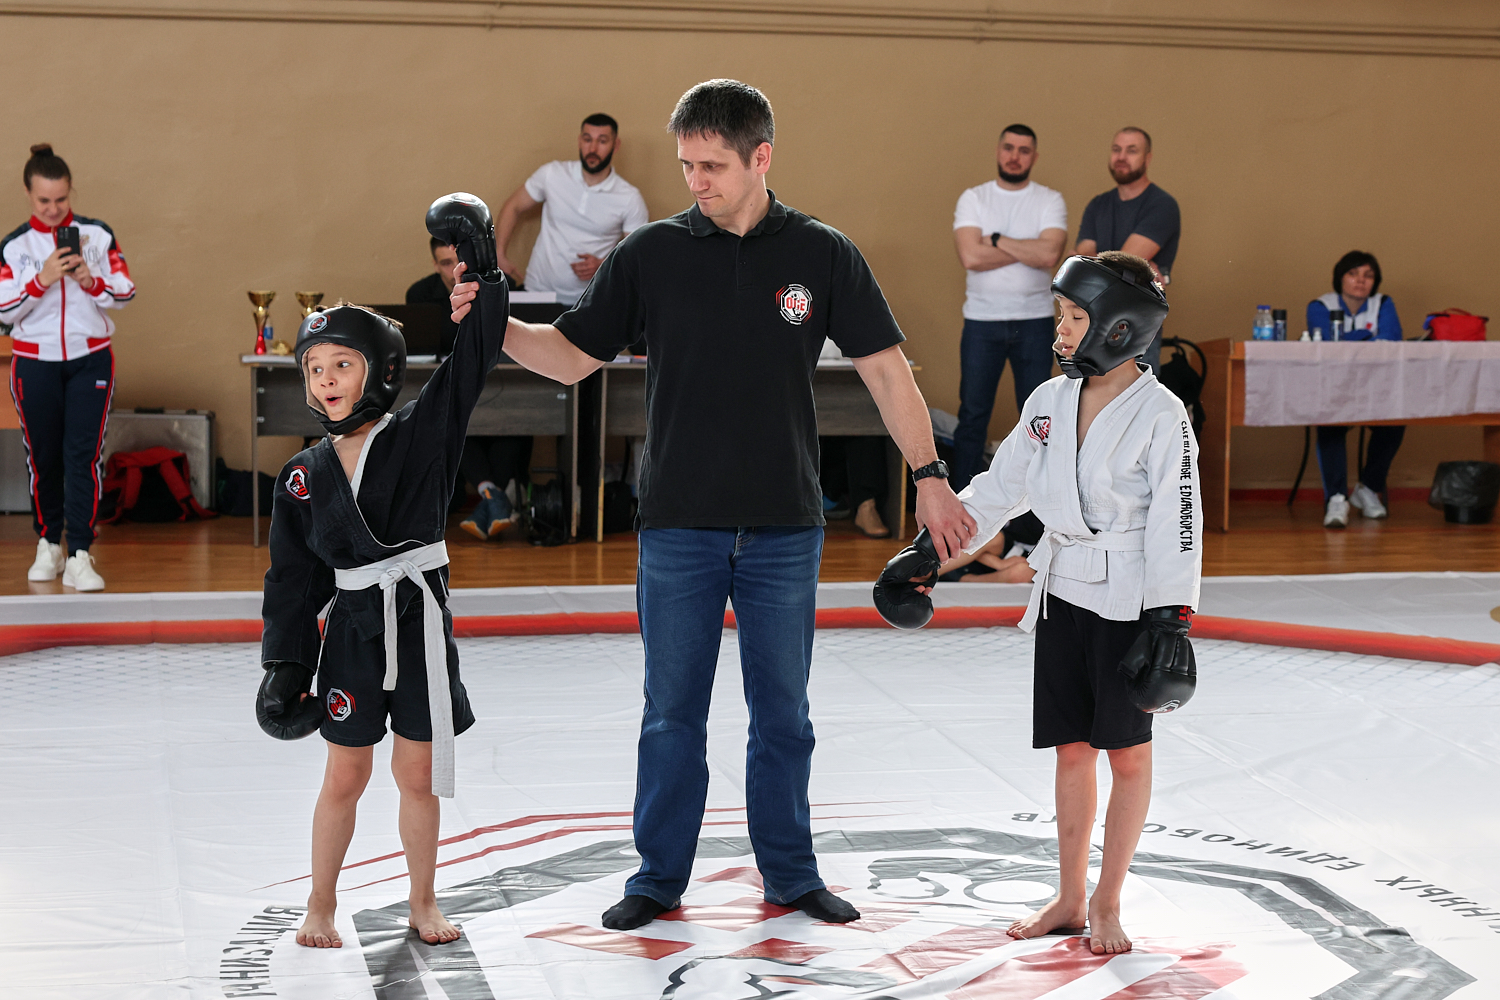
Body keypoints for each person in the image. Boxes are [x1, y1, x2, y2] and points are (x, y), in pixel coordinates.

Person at [451, 79, 974, 931]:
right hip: (678, 523)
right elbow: (573, 357)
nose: (696, 180)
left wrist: (930, 474)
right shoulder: (651, 253)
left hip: (784, 525)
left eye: (713, 166)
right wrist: (495, 325)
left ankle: (791, 874)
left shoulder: (823, 252)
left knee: (784, 717)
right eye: (687, 165)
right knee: (670, 715)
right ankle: (658, 879)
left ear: (761, 157)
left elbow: (885, 370)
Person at [879, 251, 1201, 954]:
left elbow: (1179, 520)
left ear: (1119, 327)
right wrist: (931, 549)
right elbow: (999, 490)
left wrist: (1171, 619)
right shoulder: (1048, 402)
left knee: (1129, 757)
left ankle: (1109, 901)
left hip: (1128, 600)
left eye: (1076, 316)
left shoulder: (1162, 414)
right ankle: (1070, 896)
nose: (1061, 328)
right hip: (1063, 592)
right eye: (1061, 313)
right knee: (1071, 750)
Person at [257, 197, 509, 949]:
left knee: (418, 775)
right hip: (355, 631)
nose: (327, 379)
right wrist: (285, 665)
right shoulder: (302, 476)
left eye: (342, 364)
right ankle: (320, 904)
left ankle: (423, 902)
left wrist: (484, 268)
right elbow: (292, 582)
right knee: (344, 777)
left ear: (382, 371)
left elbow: (471, 362)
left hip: (419, 620)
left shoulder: (420, 436)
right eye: (314, 368)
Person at [2, 143, 136, 592]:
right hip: (34, 362)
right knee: (43, 458)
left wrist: (89, 280)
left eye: (61, 199)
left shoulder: (97, 235)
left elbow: (125, 291)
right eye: (44, 200)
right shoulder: (15, 246)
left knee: (83, 456)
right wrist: (41, 279)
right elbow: (3, 310)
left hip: (89, 359)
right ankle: (48, 543)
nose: (53, 209)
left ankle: (79, 551)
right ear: (28, 193)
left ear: (70, 190)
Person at [950, 124, 1067, 491]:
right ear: (998, 151)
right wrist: (1026, 248)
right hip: (981, 322)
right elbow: (970, 256)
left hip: (1035, 322)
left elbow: (1049, 255)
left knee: (1038, 419)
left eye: (1024, 150)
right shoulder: (974, 198)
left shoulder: (1049, 200)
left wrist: (997, 239)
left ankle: (1036, 509)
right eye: (1009, 148)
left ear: (1034, 156)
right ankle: (962, 506)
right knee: (972, 415)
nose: (1015, 156)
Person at [407, 235, 531, 538]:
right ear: (435, 264)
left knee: (516, 421)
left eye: (458, 261)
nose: (453, 269)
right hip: (452, 383)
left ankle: (490, 498)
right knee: (451, 421)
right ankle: (496, 499)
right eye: (445, 263)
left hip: (502, 383)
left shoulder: (498, 284)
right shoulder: (420, 293)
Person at [494, 113, 649, 300]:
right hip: (538, 292)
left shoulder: (629, 198)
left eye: (602, 141)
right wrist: (499, 254)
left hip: (589, 300)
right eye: (587, 139)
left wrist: (603, 265)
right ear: (579, 141)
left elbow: (635, 256)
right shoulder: (552, 174)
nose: (593, 148)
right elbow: (513, 206)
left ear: (615, 146)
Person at [1305, 250, 1404, 528]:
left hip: (1376, 387)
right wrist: (1367, 336)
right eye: (1353, 274)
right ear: (1341, 278)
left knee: (1396, 422)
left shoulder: (1383, 303)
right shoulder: (1320, 305)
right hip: (1334, 387)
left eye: (1368, 275)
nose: (1361, 280)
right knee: (1330, 424)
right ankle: (1337, 497)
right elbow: (1326, 343)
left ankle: (1368, 489)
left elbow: (1391, 339)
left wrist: (1348, 340)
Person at [1075, 128, 1180, 373]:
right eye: (1116, 149)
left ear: (1148, 158)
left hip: (1137, 330)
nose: (1121, 157)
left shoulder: (1162, 205)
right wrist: (1131, 267)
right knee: (1089, 396)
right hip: (1092, 325)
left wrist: (1108, 265)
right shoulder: (1098, 205)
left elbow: (1121, 263)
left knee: (1137, 396)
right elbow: (1080, 265)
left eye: (1131, 150)